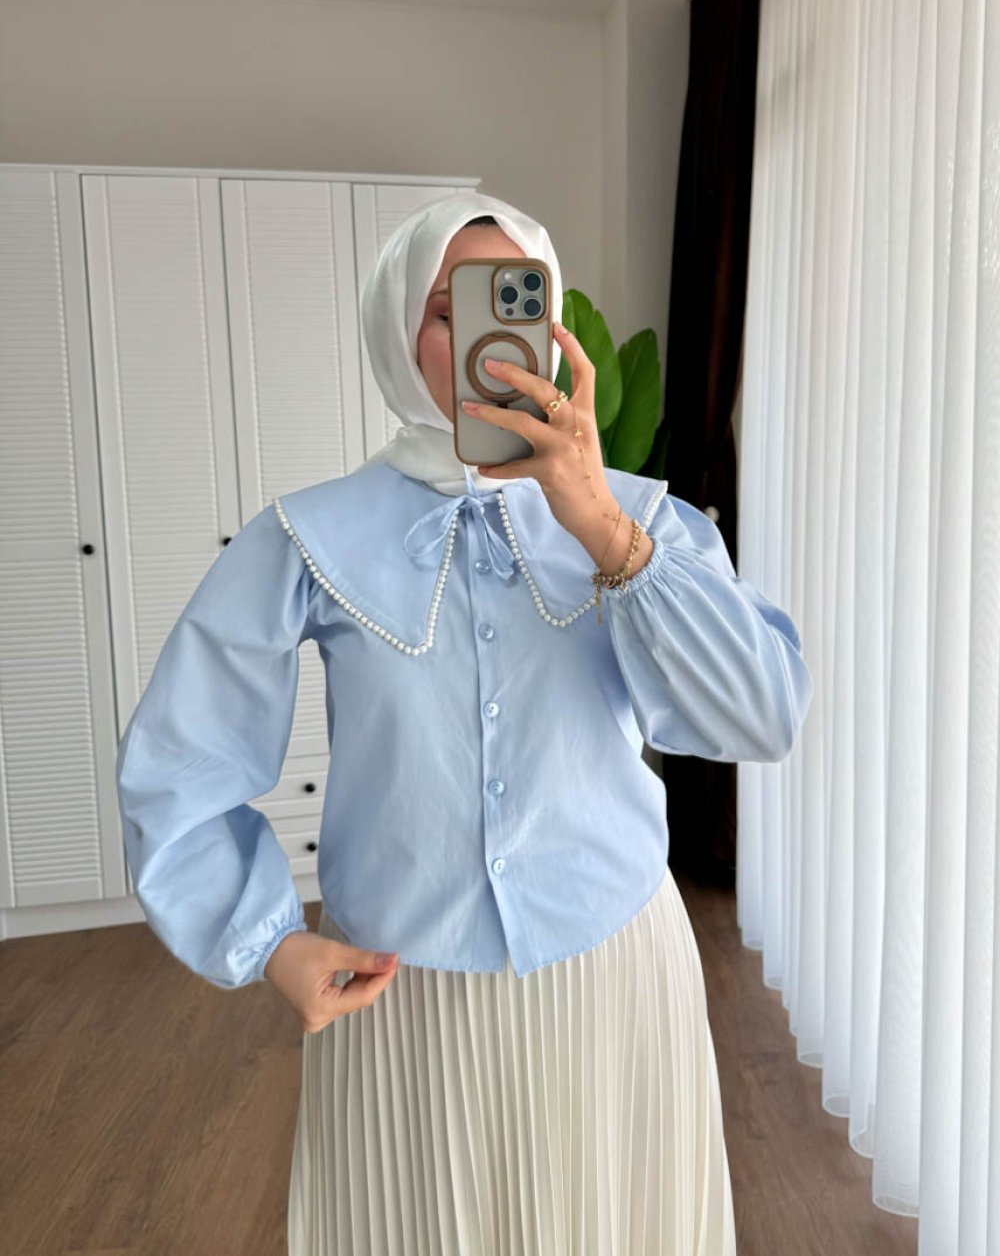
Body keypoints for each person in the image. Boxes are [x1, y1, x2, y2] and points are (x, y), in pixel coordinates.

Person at [116, 191, 814, 1255]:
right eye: (449, 309)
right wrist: (269, 944)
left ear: (551, 327)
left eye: (514, 301)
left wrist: (599, 524)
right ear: (400, 332)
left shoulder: (640, 518)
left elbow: (762, 714)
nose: (486, 338)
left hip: (613, 974)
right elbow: (179, 763)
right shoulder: (304, 539)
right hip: (400, 998)